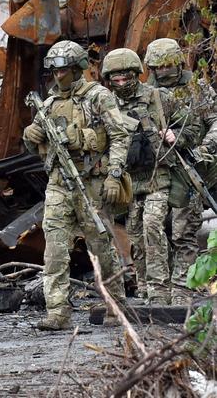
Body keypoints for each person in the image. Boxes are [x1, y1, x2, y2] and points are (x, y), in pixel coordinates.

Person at [23, 40, 128, 330]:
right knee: (54, 248)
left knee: (101, 247)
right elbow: (38, 148)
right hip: (58, 183)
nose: (59, 76)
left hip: (91, 182)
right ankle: (57, 312)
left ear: (78, 68)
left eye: (64, 70)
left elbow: (119, 136)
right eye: (55, 71)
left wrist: (114, 174)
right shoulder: (48, 104)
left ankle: (115, 304)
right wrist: (31, 136)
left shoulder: (98, 97)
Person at [102, 48, 196, 304]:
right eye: (115, 80)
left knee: (153, 226)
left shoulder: (158, 97)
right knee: (135, 234)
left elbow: (193, 124)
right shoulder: (107, 103)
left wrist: (177, 136)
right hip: (130, 183)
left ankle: (159, 290)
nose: (121, 84)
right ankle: (143, 286)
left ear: (136, 74)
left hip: (158, 177)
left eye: (126, 78)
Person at [145, 38, 217, 304]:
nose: (162, 72)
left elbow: (215, 122)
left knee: (184, 230)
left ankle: (183, 290)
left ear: (177, 63)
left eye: (166, 66)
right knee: (153, 228)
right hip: (159, 170)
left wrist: (203, 150)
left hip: (191, 168)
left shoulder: (197, 89)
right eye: (156, 67)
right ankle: (156, 289)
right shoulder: (145, 92)